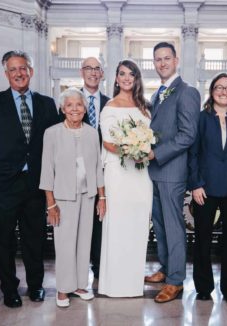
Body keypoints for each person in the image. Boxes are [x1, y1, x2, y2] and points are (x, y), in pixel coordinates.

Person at [0, 50, 59, 308]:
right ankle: (9, 289)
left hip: (35, 184)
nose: (19, 73)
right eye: (13, 69)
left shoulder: (46, 104)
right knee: (4, 240)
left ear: (30, 71)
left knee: (35, 239)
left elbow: (55, 143)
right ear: (6, 74)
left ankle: (36, 287)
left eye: (23, 68)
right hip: (3, 185)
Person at [145, 42, 201, 303]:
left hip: (172, 170)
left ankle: (176, 280)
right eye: (158, 59)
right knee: (160, 224)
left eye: (167, 58)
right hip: (154, 171)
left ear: (176, 60)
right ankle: (166, 267)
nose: (162, 63)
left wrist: (157, 153)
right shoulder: (158, 94)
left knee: (173, 226)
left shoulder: (187, 92)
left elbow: (188, 135)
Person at [40, 87, 105, 307]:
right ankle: (63, 289)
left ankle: (79, 285)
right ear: (62, 108)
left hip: (88, 196)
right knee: (65, 244)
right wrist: (51, 204)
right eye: (69, 105)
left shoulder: (91, 132)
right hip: (63, 197)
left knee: (83, 242)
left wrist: (102, 197)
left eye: (79, 104)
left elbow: (97, 167)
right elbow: (47, 170)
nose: (75, 109)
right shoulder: (52, 133)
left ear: (85, 108)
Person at [188, 73, 227, 303]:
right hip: (205, 187)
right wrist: (195, 184)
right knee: (202, 238)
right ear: (211, 91)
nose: (224, 91)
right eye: (219, 87)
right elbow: (193, 153)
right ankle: (203, 287)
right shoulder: (201, 118)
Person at [98, 60, 152, 297]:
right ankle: (114, 285)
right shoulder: (109, 107)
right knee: (118, 226)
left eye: (132, 74)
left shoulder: (144, 107)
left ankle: (132, 284)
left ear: (136, 78)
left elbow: (150, 138)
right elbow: (108, 143)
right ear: (116, 79)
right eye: (122, 74)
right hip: (118, 174)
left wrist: (143, 151)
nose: (127, 78)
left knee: (138, 225)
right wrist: (131, 151)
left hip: (141, 174)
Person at [80, 57, 110, 279]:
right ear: (82, 72)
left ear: (102, 74)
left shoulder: (111, 104)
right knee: (79, 222)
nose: (92, 72)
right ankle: (78, 268)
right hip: (76, 173)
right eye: (88, 68)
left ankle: (100, 267)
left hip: (105, 173)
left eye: (97, 68)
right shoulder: (69, 101)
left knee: (101, 221)